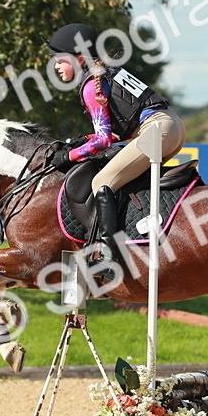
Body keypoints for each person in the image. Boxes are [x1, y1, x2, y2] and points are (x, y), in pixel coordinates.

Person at [44, 23, 187, 263]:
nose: (56, 66)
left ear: (79, 58)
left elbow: (102, 141)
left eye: (60, 59)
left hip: (156, 130)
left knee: (102, 181)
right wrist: (81, 141)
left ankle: (108, 256)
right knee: (123, 179)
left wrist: (68, 156)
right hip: (171, 126)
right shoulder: (105, 72)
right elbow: (109, 135)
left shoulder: (92, 85)